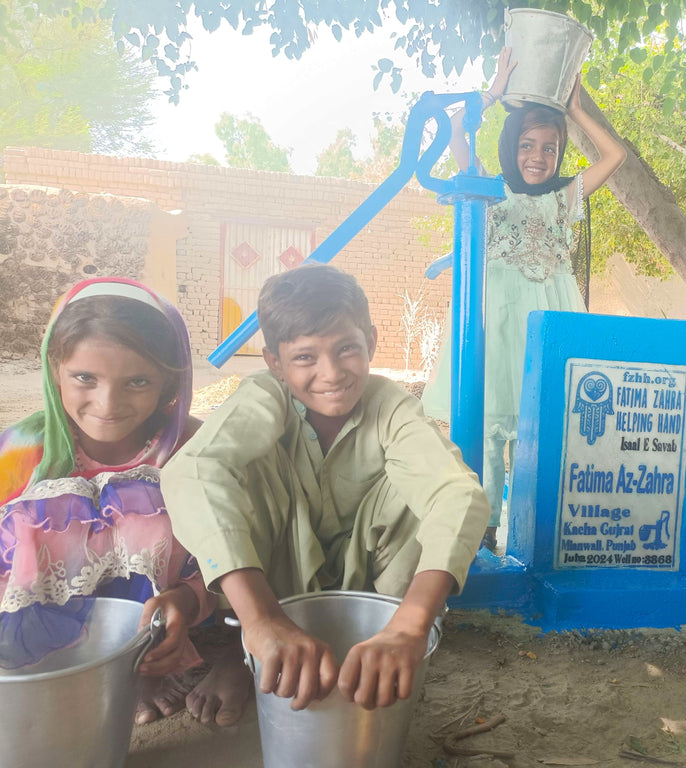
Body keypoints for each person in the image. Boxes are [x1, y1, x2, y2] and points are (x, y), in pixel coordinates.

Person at [162, 264, 490, 712]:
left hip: (376, 594)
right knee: (228, 471)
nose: (331, 373)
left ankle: (385, 643)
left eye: (346, 349)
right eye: (304, 357)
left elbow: (459, 496)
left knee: (430, 491)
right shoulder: (264, 397)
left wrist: (410, 625)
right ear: (274, 361)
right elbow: (190, 471)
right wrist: (261, 619)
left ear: (371, 342)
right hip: (278, 585)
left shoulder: (390, 408)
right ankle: (248, 649)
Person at [422, 47, 627, 550]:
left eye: (550, 148)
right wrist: (494, 93)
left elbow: (615, 157)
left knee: (545, 426)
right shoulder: (488, 190)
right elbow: (455, 130)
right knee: (491, 421)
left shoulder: (565, 198)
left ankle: (538, 536)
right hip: (498, 320)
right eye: (528, 145)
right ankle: (483, 533)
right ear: (511, 147)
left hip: (552, 319)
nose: (538, 157)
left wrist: (574, 111)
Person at [0, 277, 215, 721]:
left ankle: (160, 666)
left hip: (172, 618)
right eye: (85, 378)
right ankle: (56, 663)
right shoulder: (20, 452)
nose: (107, 402)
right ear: (54, 367)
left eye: (137, 381)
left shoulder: (194, 448)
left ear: (168, 382)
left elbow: (229, 547)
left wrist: (186, 602)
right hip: (43, 633)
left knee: (164, 514)